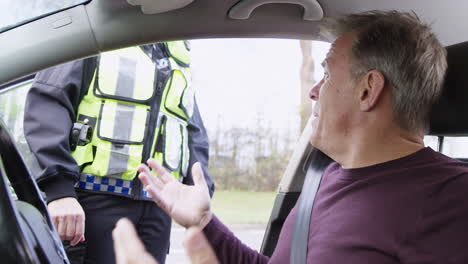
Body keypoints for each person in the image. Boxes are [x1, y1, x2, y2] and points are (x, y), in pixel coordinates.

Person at [133, 10, 468, 263]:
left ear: (368, 90)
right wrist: (204, 222)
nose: (314, 90)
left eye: (326, 74)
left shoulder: (453, 199)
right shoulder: (325, 177)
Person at [23, 41, 215, 264]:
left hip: (157, 211)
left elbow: (192, 131)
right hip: (91, 203)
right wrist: (60, 191)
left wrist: (200, 195)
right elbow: (48, 104)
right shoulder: (95, 36)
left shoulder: (177, 54)